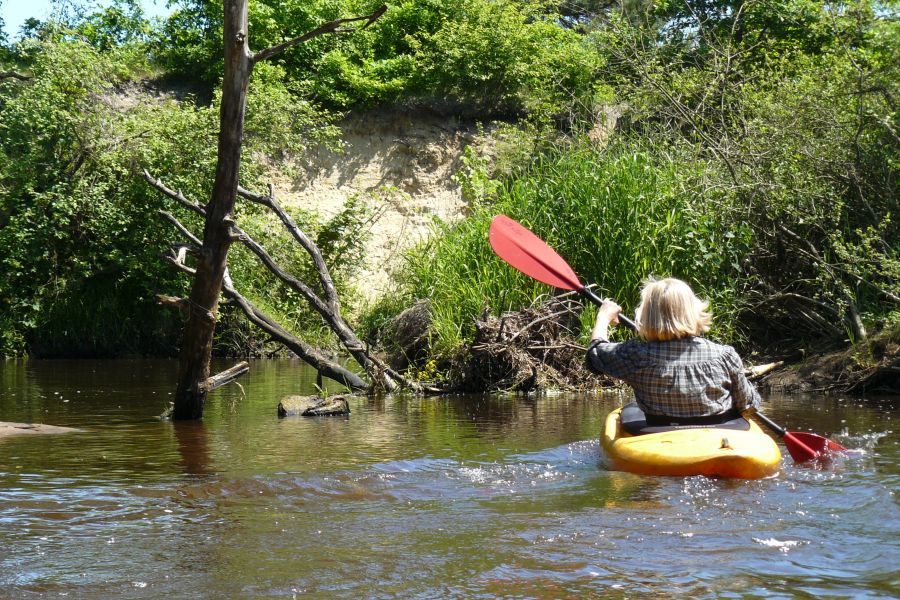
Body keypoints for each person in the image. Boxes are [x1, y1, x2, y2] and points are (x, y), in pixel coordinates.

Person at [586, 277, 760, 425]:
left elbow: (595, 355)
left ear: (647, 315)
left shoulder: (636, 354)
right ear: (693, 311)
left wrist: (604, 317)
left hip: (660, 436)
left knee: (629, 410)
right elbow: (748, 405)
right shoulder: (725, 355)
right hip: (718, 440)